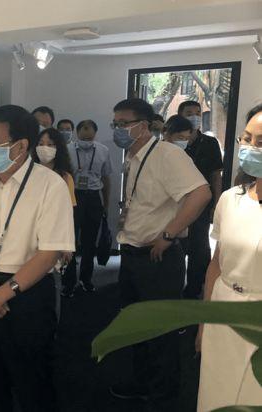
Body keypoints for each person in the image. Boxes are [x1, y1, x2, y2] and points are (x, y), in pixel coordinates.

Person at [0, 105, 75, 412]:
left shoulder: (50, 185)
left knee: (33, 380)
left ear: (21, 145)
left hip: (28, 294)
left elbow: (49, 253)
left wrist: (0, 295)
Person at [109, 98, 211, 401]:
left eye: (124, 124)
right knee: (135, 325)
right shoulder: (133, 156)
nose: (118, 129)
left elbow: (201, 193)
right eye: (115, 123)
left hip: (158, 257)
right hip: (132, 252)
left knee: (160, 330)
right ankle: (142, 382)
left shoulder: (166, 154)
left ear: (143, 125)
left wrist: (168, 234)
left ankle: (163, 394)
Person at [196, 104, 262, 411]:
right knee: (215, 394)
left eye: (261, 142)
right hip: (222, 310)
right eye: (247, 139)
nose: (250, 147)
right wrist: (203, 323)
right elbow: (216, 265)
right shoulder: (230, 199)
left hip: (257, 317)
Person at [178, 100, 224, 299]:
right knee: (176, 246)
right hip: (176, 203)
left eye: (198, 112)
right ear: (180, 116)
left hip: (202, 203)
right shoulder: (173, 143)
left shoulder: (210, 143)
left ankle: (194, 289)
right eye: (189, 113)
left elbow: (215, 175)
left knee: (199, 248)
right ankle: (172, 286)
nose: (195, 116)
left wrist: (217, 204)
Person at [67, 119, 112, 292]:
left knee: (90, 241)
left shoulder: (103, 150)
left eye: (89, 135)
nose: (86, 138)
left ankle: (86, 279)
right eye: (83, 135)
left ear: (95, 134)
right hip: (73, 196)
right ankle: (69, 281)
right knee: (69, 240)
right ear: (77, 133)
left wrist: (106, 204)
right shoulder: (67, 149)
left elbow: (106, 178)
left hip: (93, 198)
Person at [33, 128, 77, 298]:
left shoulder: (65, 177)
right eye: (41, 143)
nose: (45, 148)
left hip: (53, 235)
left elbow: (68, 214)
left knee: (50, 282)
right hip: (30, 233)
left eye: (50, 144)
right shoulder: (28, 173)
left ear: (58, 148)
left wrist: (66, 245)